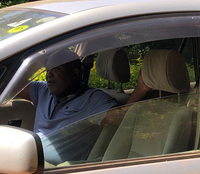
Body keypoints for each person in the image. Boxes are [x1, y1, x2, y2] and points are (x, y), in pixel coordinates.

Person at [18, 50, 151, 165]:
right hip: (28, 161)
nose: (49, 75)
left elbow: (123, 119)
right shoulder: (42, 90)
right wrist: (34, 61)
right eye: (47, 70)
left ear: (74, 73)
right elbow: (10, 86)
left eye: (56, 69)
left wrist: (141, 89)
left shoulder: (92, 99)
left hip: (62, 169)